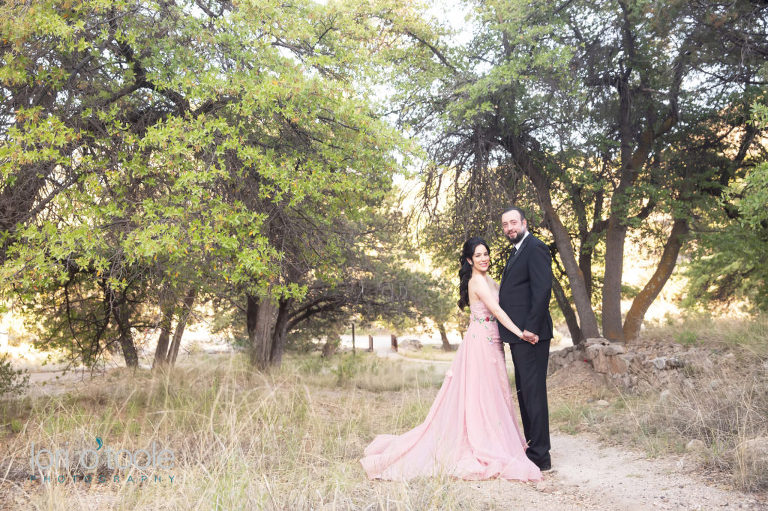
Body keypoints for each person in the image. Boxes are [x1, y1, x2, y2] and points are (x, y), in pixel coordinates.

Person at [360, 237, 542, 482]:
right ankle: (483, 441)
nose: (484, 258)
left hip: (494, 341)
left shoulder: (490, 279)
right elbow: (498, 311)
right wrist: (521, 333)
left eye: (486, 253)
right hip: (480, 342)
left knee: (495, 390)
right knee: (481, 393)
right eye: (478, 255)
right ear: (469, 260)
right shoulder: (476, 281)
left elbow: (508, 299)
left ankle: (497, 438)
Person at [498, 206, 554, 472]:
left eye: (513, 222)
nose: (509, 228)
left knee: (533, 394)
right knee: (525, 392)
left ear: (524, 222)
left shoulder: (536, 247)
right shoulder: (517, 250)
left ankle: (541, 457)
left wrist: (531, 328)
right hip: (519, 336)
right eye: (505, 225)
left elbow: (543, 289)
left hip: (531, 335)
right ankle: (533, 447)